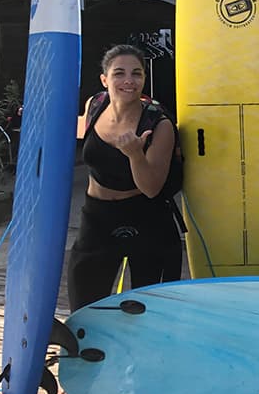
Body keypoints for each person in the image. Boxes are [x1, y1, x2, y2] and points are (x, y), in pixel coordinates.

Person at [65, 45, 183, 311]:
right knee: (85, 303)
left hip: (145, 217)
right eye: (119, 73)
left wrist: (135, 155)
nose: (128, 81)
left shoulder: (158, 125)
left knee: (146, 309)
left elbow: (152, 188)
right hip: (97, 216)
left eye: (136, 74)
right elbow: (81, 132)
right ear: (104, 79)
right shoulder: (96, 105)